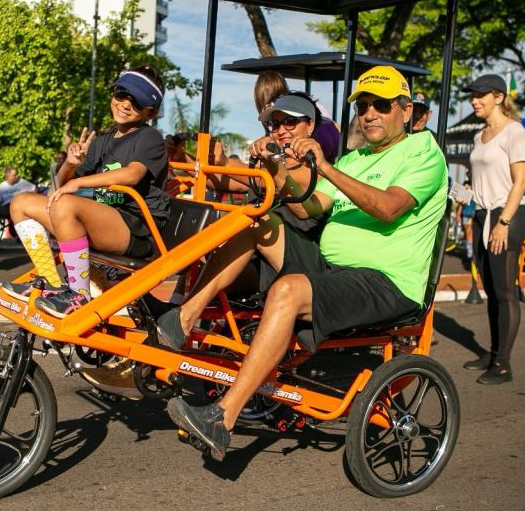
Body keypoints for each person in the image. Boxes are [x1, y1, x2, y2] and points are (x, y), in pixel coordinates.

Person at [163, 65, 447, 460]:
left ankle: (222, 419)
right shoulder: (355, 159)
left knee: (288, 290)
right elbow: (307, 207)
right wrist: (272, 166)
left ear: (406, 109)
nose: (369, 114)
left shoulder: (423, 153)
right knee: (257, 219)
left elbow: (387, 207)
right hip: (333, 268)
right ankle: (182, 319)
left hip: (388, 282)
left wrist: (325, 166)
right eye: (363, 106)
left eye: (381, 106)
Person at [150, 92, 332, 349]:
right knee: (204, 236)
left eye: (290, 122)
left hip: (295, 261)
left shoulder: (314, 169)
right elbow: (223, 180)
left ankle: (182, 318)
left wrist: (241, 162)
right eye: (275, 124)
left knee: (253, 219)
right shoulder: (273, 166)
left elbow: (279, 182)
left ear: (310, 125)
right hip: (259, 260)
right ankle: (173, 308)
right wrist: (183, 158)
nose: (281, 130)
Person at [3, 65, 170, 318]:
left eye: (136, 101)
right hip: (104, 218)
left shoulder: (149, 137)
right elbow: (59, 186)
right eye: (121, 94)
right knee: (21, 202)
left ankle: (79, 295)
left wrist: (79, 183)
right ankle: (51, 283)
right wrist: (71, 165)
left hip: (139, 228)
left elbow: (132, 174)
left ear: (152, 111)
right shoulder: (103, 140)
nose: (125, 104)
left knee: (66, 205)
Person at [464, 73, 525, 385]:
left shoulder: (514, 132)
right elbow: (481, 179)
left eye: (480, 95)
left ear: (499, 97)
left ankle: (503, 365)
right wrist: (465, 194)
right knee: (491, 290)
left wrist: (503, 222)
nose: (474, 101)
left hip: (506, 215)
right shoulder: (479, 135)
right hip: (481, 214)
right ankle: (493, 353)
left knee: (504, 292)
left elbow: (521, 182)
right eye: (472, 95)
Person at [0, 166, 36, 237]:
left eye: (16, 174)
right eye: (14, 175)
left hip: (20, 205)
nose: (16, 176)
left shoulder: (22, 182)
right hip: (7, 206)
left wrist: (32, 197)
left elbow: (34, 188)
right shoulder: (2, 186)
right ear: (8, 176)